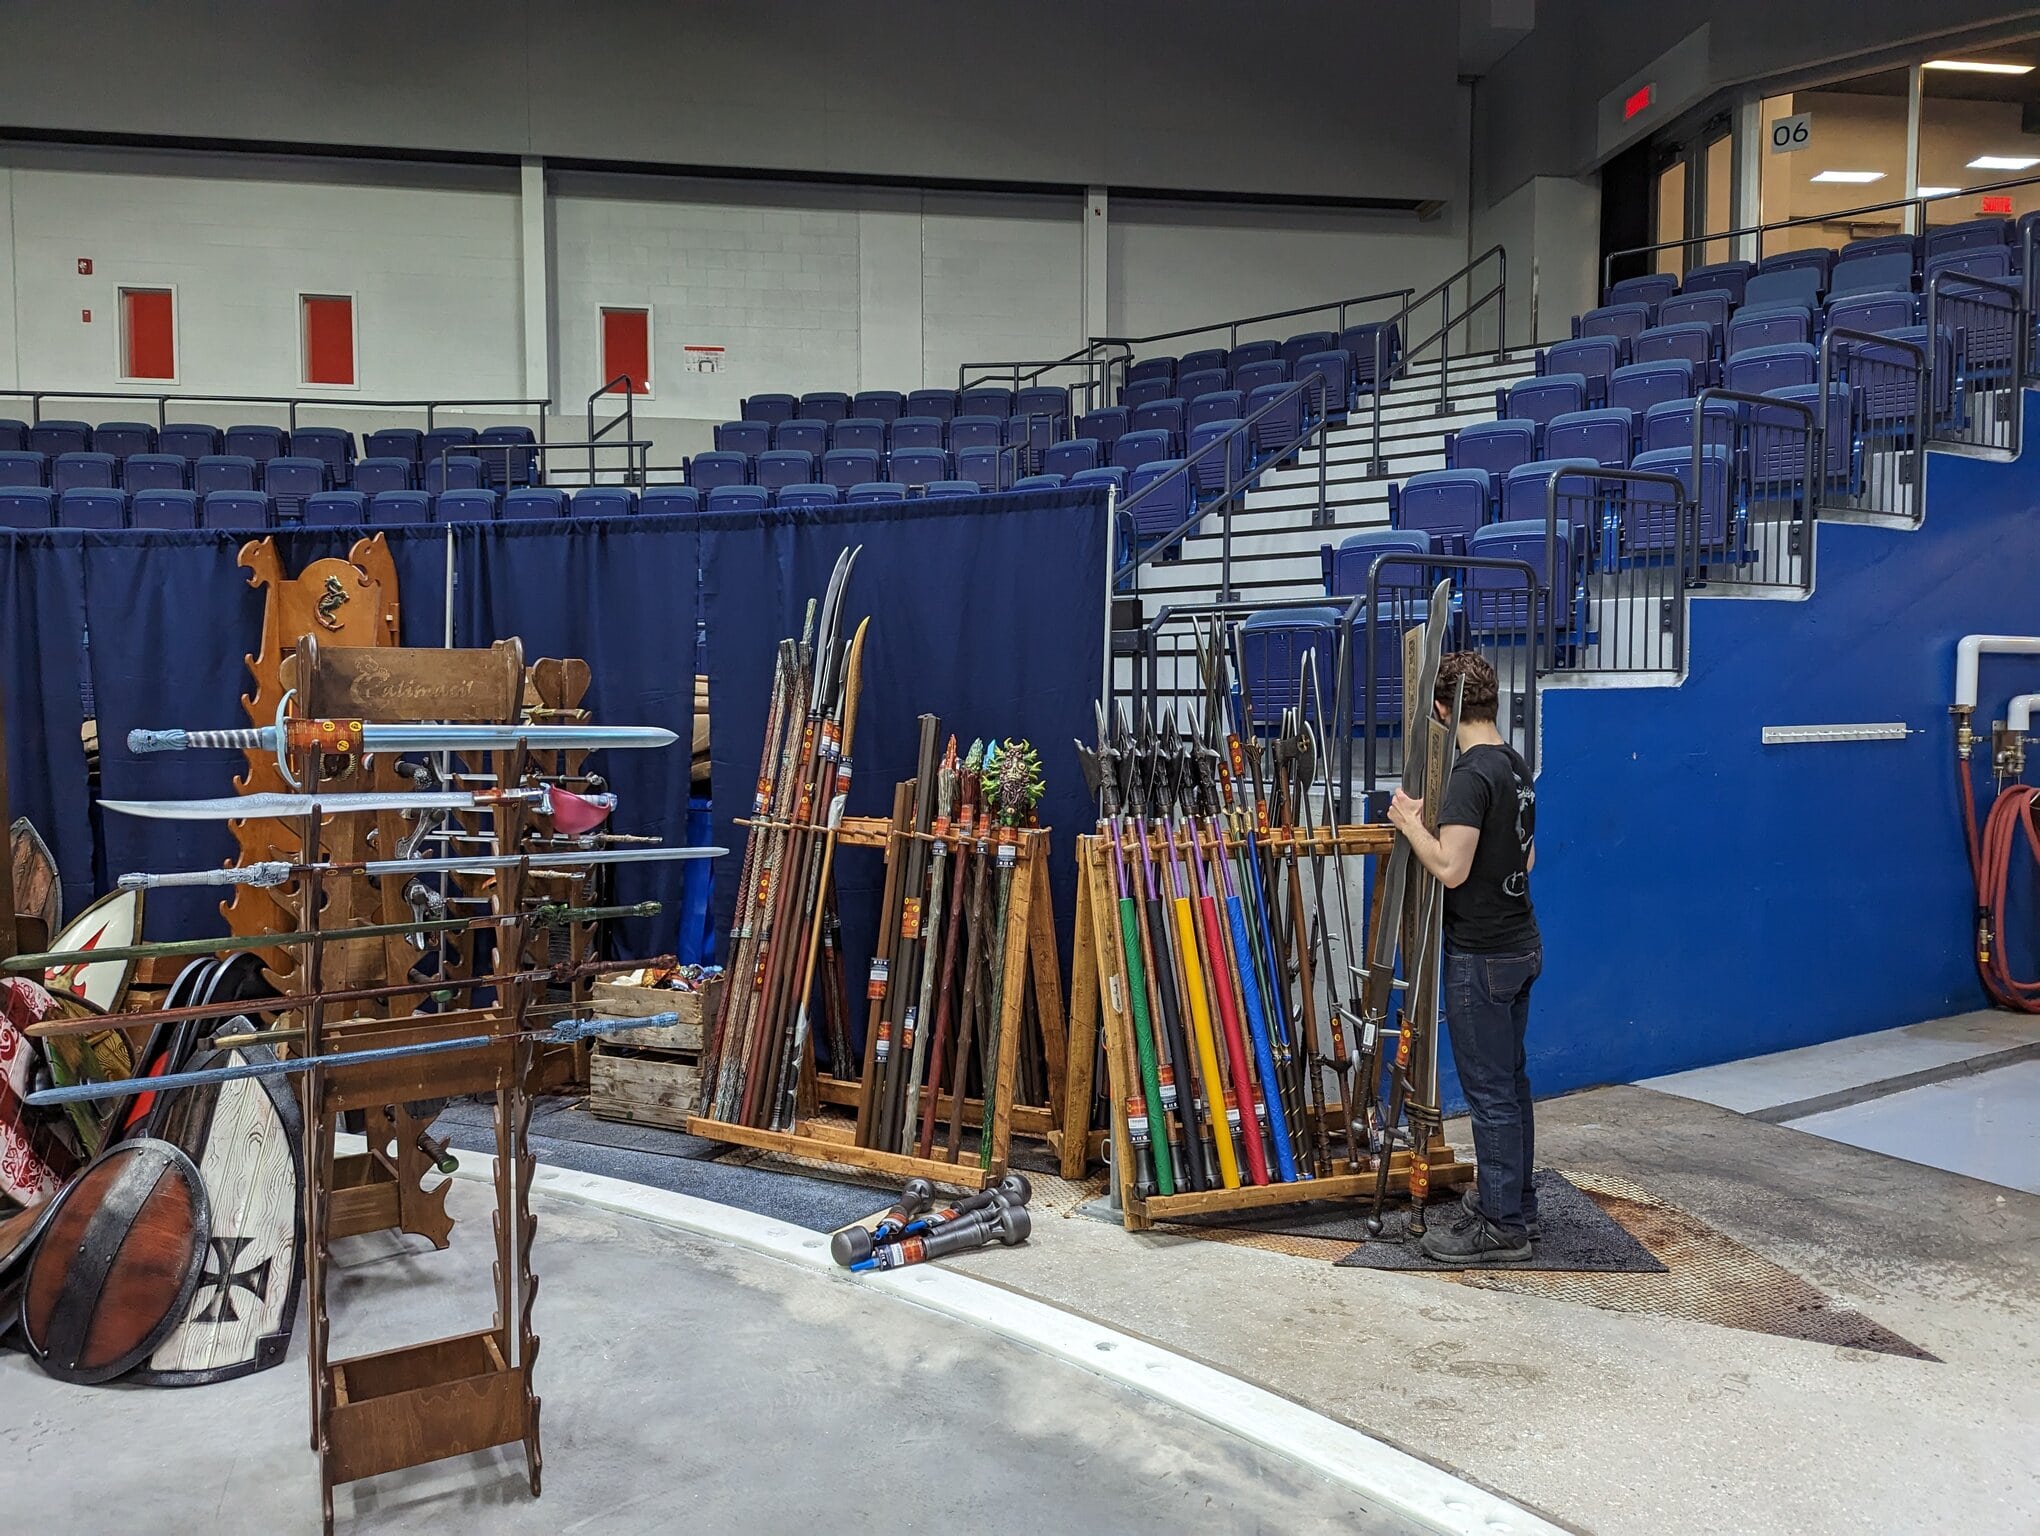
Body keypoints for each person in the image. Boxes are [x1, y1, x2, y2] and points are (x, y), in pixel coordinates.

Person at [1385, 651, 1540, 1263]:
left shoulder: (1470, 776)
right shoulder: (1516, 766)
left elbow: (1451, 868)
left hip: (1483, 955)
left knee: (1490, 1092)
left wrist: (1408, 823)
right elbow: (1525, 860)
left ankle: (1502, 1227)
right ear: (1492, 701)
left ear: (1444, 712)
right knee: (1512, 1083)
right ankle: (1515, 1204)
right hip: (1521, 943)